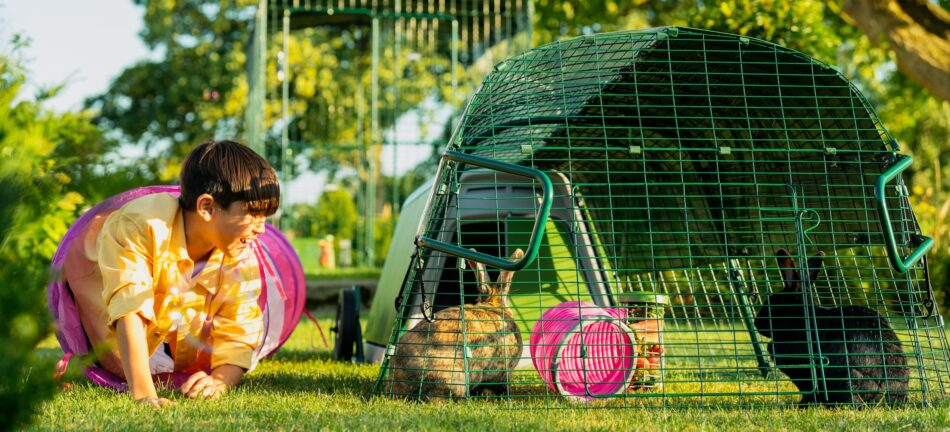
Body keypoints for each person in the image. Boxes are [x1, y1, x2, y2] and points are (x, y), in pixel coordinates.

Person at [61, 140, 280, 407]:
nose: (261, 229)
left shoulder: (237, 252)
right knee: (126, 322)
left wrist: (219, 380)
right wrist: (144, 395)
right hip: (103, 317)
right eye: (252, 215)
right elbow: (129, 308)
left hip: (169, 333)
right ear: (207, 208)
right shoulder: (142, 226)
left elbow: (239, 330)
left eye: (265, 217)